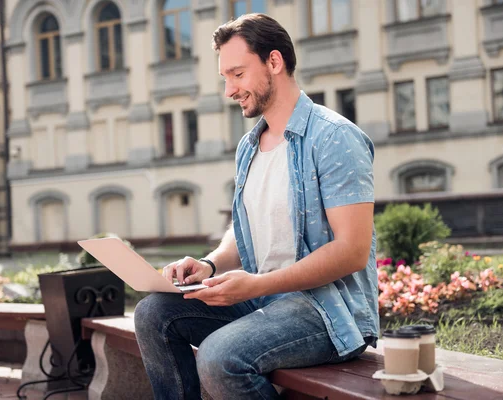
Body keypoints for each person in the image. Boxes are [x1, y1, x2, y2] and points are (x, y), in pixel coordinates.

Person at [134, 13, 379, 400]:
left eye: (237, 74)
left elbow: (352, 251)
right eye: (225, 78)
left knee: (219, 358)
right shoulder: (250, 146)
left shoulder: (335, 138)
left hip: (326, 310)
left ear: (274, 62)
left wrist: (259, 284)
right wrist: (210, 265)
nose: (230, 89)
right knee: (154, 313)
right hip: (266, 299)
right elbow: (247, 228)